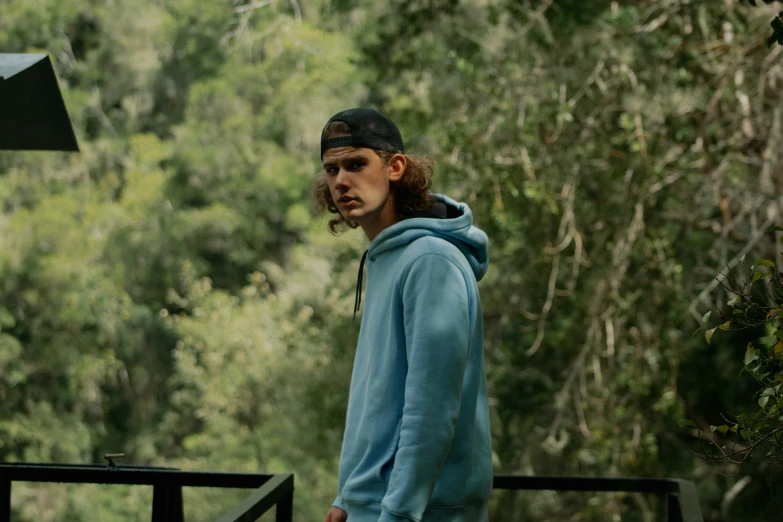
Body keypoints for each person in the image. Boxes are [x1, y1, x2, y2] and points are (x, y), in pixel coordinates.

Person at [315, 108, 493, 522]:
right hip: (376, 508)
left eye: (357, 164)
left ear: (395, 167)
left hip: (423, 514)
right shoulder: (386, 259)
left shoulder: (430, 261)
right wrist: (350, 497)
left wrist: (396, 514)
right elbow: (380, 399)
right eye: (332, 169)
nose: (341, 181)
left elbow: (429, 412)